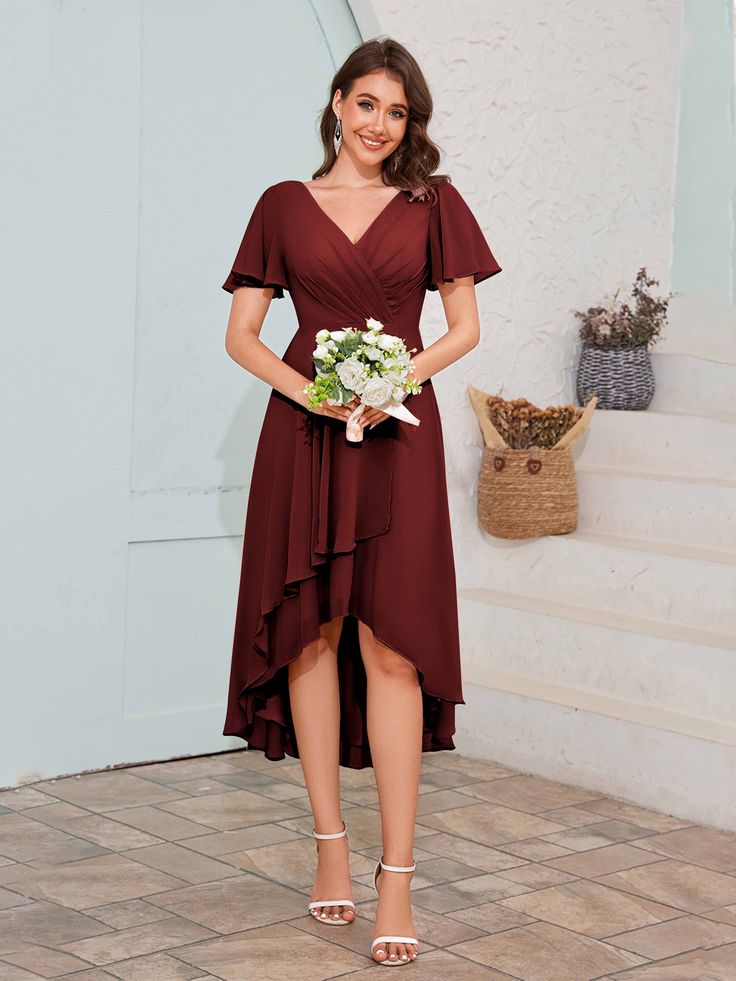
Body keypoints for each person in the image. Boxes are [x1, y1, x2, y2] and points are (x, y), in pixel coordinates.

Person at [220, 36, 502, 968]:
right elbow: (245, 335)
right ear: (338, 103)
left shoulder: (433, 204)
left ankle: (398, 877)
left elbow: (463, 327)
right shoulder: (282, 206)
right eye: (369, 104)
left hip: (399, 439)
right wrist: (316, 393)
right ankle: (331, 854)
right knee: (311, 632)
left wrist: (392, 381)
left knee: (393, 642)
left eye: (400, 112)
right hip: (303, 437)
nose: (383, 124)